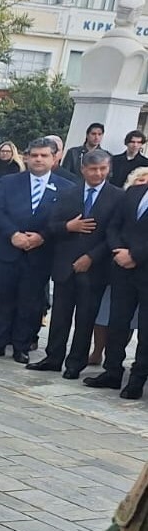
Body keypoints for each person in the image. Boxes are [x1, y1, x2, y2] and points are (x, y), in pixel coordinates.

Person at [29, 148, 125, 376]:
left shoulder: (117, 197)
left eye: (103, 169)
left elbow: (114, 234)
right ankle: (53, 357)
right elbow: (51, 226)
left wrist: (91, 257)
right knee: (60, 316)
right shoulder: (68, 193)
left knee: (85, 318)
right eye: (93, 169)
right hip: (65, 265)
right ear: (83, 169)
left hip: (95, 268)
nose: (98, 174)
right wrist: (68, 227)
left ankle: (75, 363)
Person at [0, 138, 74, 362]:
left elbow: (64, 220)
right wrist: (13, 234)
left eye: (44, 155)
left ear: (55, 158)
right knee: (3, 299)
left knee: (30, 302)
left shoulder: (67, 188)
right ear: (26, 157)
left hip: (40, 254)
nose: (39, 159)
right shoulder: (8, 182)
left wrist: (43, 236)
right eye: (34, 155)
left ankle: (21, 346)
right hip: (7, 250)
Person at [92, 166, 148, 398]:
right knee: (117, 322)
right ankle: (112, 371)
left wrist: (135, 255)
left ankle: (137, 379)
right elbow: (114, 225)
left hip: (144, 268)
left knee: (145, 330)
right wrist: (118, 250)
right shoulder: (134, 193)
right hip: (122, 269)